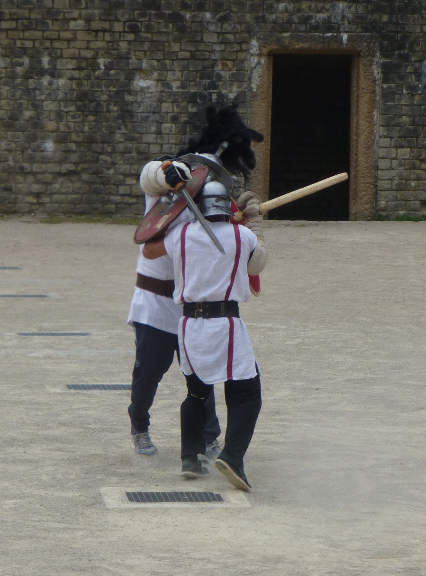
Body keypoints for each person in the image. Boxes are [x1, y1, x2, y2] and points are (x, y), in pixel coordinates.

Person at [141, 104, 267, 490]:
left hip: (189, 327)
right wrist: (252, 226)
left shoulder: (180, 235)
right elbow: (258, 264)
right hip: (226, 325)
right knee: (246, 393)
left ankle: (190, 458)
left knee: (197, 392)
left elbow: (150, 249)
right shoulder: (242, 236)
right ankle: (232, 456)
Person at [127, 157, 222, 459]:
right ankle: (139, 425)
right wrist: (169, 174)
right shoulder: (159, 196)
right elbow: (150, 174)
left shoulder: (210, 210)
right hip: (153, 305)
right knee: (149, 372)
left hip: (191, 305)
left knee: (200, 373)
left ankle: (209, 435)